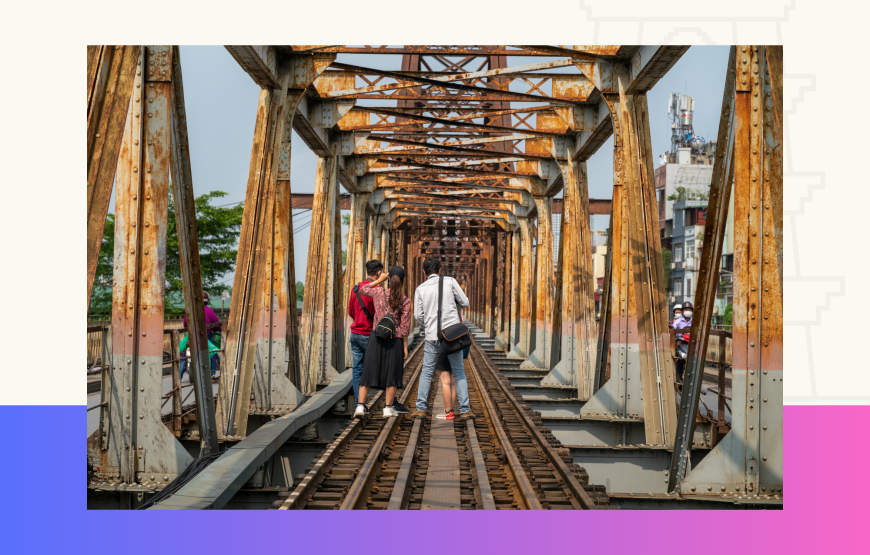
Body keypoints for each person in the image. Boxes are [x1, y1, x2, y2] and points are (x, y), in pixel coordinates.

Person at [412, 258, 475, 421]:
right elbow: (465, 302)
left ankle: (420, 409)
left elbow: (418, 316)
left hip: (432, 336)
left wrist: (428, 325)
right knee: (459, 372)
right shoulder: (450, 282)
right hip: (452, 336)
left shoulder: (420, 289)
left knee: (426, 372)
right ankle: (465, 409)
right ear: (440, 270)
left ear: (424, 272)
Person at [354, 266, 413, 418]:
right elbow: (405, 327)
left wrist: (379, 280)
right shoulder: (405, 301)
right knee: (391, 374)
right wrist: (405, 347)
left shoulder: (379, 292)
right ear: (403, 280)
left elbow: (363, 289)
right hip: (395, 340)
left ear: (389, 278)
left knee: (368, 371)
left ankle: (360, 406)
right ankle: (388, 408)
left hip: (376, 338)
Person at [348, 259, 390, 414]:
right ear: (379, 273)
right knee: (381, 367)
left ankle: (359, 405)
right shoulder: (377, 290)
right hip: (369, 334)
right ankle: (390, 403)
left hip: (355, 334)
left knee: (357, 369)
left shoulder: (356, 288)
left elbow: (350, 311)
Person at [181, 291, 222, 381]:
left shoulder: (190, 310)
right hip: (205, 336)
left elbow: (185, 324)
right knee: (212, 352)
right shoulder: (209, 310)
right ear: (207, 301)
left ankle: (179, 375)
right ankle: (212, 373)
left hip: (191, 335)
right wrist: (219, 330)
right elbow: (216, 325)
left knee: (184, 355)